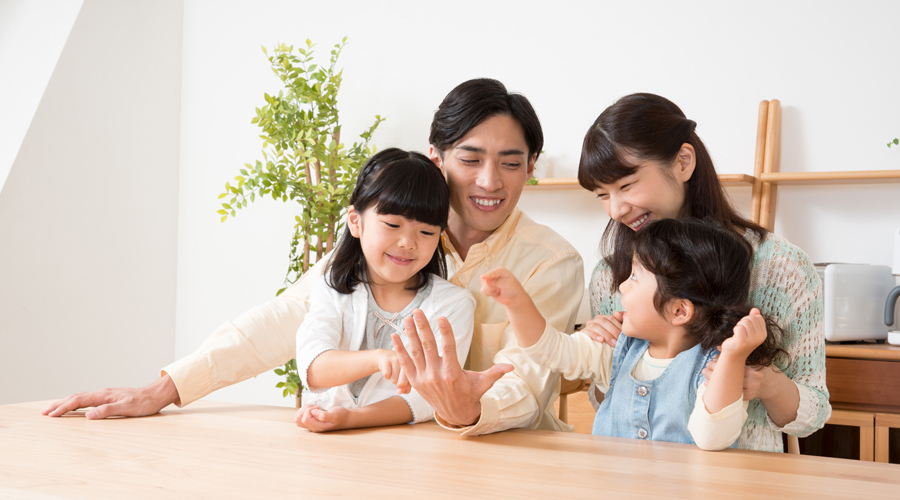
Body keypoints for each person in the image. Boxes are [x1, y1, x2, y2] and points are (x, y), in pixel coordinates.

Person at [44, 79, 584, 437]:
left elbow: (528, 382)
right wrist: (166, 388)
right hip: (377, 456)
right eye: (470, 158)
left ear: (532, 166)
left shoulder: (551, 262)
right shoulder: (381, 236)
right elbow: (285, 316)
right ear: (436, 157)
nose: (489, 181)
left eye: (510, 163)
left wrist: (467, 407)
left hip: (506, 462)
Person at [576, 93, 830, 452]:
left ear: (682, 162)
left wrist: (767, 383)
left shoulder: (779, 267)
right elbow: (605, 403)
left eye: (626, 185)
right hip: (629, 479)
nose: (616, 209)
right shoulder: (611, 273)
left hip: (743, 483)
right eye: (602, 195)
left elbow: (813, 416)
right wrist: (601, 356)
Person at [479, 218, 787, 450]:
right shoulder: (616, 350)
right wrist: (517, 303)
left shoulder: (716, 368)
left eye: (635, 277)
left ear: (679, 311)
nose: (621, 286)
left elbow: (712, 438)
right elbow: (551, 351)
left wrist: (734, 356)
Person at [293, 149, 474, 432]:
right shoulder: (332, 289)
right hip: (326, 450)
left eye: (426, 232)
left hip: (405, 454)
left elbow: (430, 399)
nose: (407, 242)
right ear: (356, 221)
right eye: (392, 224)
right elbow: (313, 368)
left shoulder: (453, 304)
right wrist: (378, 359)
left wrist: (352, 419)